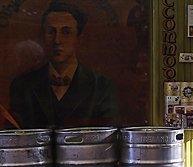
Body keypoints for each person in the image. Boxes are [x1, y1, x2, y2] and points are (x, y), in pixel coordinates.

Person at [9, 1, 118, 129]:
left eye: (66, 32)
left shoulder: (102, 87)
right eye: (51, 31)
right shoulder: (22, 86)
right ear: (43, 36)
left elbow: (108, 138)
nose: (57, 41)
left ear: (79, 38)